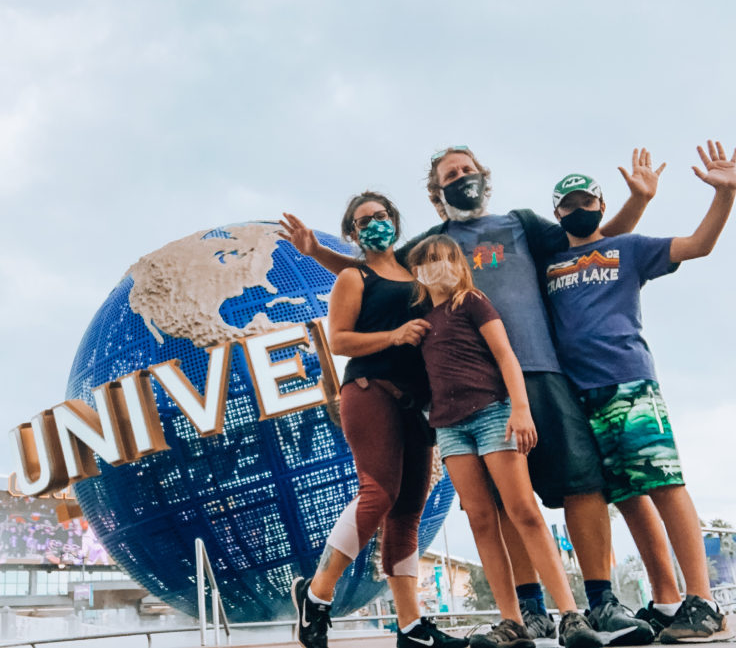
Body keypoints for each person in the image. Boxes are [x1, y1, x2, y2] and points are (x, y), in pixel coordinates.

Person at [281, 146, 672, 645]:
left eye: (467, 170)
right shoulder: (431, 246)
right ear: (436, 193)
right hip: (459, 399)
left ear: (484, 177)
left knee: (580, 485)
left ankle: (597, 604)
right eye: (450, 174)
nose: (461, 178)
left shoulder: (521, 224)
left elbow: (589, 239)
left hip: (538, 373)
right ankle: (524, 612)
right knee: (491, 506)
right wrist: (315, 252)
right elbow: (370, 272)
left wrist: (637, 203)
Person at [545, 140, 736, 643]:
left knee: (664, 484)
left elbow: (699, 245)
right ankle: (668, 601)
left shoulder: (625, 248)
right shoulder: (548, 266)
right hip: (577, 396)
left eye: (588, 202)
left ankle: (706, 602)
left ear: (602, 206)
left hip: (627, 380)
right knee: (628, 497)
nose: (580, 210)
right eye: (569, 205)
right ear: (557, 213)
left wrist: (725, 196)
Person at [289, 192, 466, 648]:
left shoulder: (415, 270)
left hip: (416, 404)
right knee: (377, 493)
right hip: (371, 392)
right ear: (352, 233)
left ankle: (410, 627)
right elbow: (340, 341)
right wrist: (395, 335)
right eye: (363, 220)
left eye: (381, 216)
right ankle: (317, 593)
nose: (374, 224)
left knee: (408, 510)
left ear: (395, 219)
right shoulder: (353, 276)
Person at [406, 234, 599, 648]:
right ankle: (511, 620)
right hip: (449, 426)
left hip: (492, 412)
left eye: (441, 257)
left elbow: (506, 354)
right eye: (424, 261)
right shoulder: (422, 320)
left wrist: (520, 408)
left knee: (523, 509)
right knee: (479, 517)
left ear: (457, 262)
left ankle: (569, 614)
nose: (433, 265)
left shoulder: (472, 301)